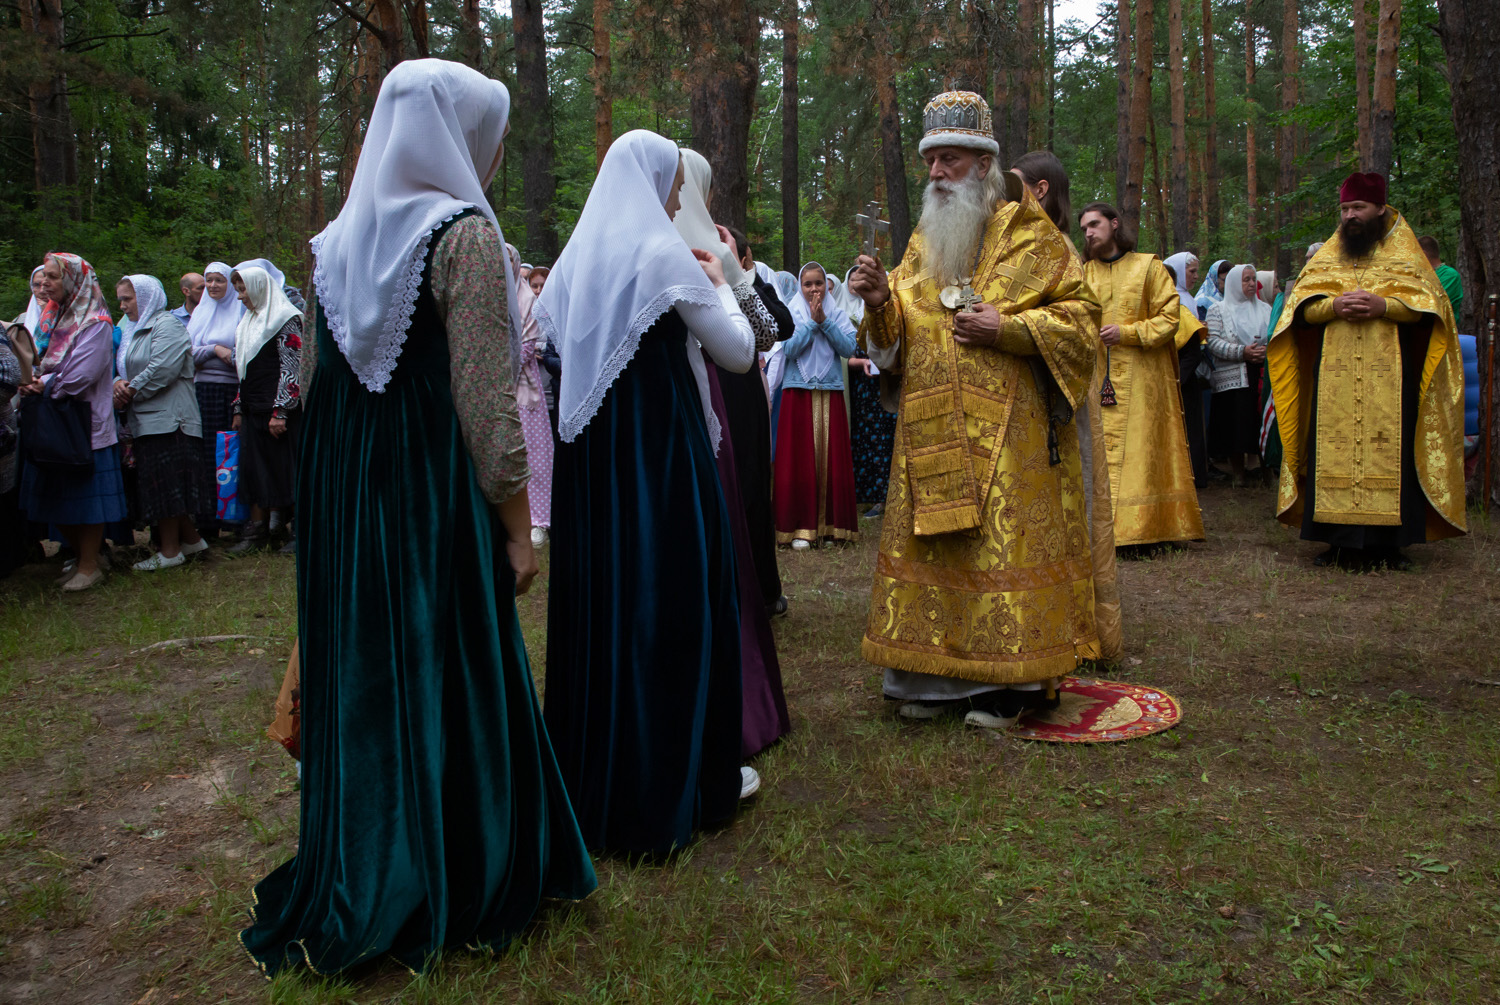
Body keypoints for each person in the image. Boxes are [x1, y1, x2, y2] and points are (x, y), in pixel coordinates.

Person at [240, 59, 596, 978]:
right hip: (428, 496)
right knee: (452, 659)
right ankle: (464, 866)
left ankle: (364, 856)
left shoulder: (332, 244)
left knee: (366, 665)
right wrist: (517, 526)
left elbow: (314, 386)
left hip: (347, 499)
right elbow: (484, 401)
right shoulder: (464, 236)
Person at [849, 90, 1104, 728]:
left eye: (950, 160)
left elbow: (1080, 321)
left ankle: (1011, 686)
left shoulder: (1032, 236)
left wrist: (1009, 329)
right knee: (936, 553)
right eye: (930, 160)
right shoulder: (923, 239)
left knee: (999, 549)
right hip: (930, 427)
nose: (936, 173)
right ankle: (933, 683)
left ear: (984, 165)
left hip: (1010, 436)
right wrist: (880, 302)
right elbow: (897, 332)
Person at [537, 128, 759, 855]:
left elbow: (552, 349)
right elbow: (737, 352)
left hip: (591, 462)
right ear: (653, 180)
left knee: (606, 601)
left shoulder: (574, 261)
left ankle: (597, 774)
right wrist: (723, 285)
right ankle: (675, 776)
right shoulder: (661, 252)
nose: (675, 198)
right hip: (658, 455)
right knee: (673, 600)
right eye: (673, 183)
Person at [1268, 172, 1466, 571]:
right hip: (1334, 378)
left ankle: (1389, 545)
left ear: (1379, 208)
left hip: (1391, 376)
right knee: (1331, 450)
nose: (1350, 216)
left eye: (1358, 207)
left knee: (1391, 450)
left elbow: (1433, 311)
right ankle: (1336, 542)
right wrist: (1333, 307)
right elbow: (1298, 312)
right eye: (1344, 209)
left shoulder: (1406, 255)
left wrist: (1385, 306)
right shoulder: (1329, 254)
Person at [672, 151, 793, 756]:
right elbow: (754, 338)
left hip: (730, 395)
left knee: (747, 494)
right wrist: (729, 281)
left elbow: (774, 328)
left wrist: (735, 275)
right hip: (708, 388)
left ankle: (758, 592)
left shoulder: (707, 252)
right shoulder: (680, 255)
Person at [1013, 148, 1123, 663]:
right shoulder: (1020, 246)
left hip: (1063, 396)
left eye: (1015, 185)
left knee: (1071, 508)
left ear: (1039, 190)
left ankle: (1076, 626)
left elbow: (1076, 329)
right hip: (1033, 395)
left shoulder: (1055, 248)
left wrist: (1008, 328)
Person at [1079, 203, 1204, 550]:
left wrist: (1127, 333)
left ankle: (1146, 531)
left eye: (1094, 224)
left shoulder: (1149, 267)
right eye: (1084, 228)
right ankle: (1100, 531)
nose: (1088, 233)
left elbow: (1170, 318)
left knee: (1142, 452)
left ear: (1114, 224)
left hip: (1144, 380)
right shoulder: (1083, 273)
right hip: (1096, 378)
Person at [17, 253, 128, 592]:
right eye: (44, 276)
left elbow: (81, 376)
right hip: (52, 420)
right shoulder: (52, 316)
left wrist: (43, 383)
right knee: (55, 497)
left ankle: (90, 566)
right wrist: (31, 379)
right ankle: (83, 559)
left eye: (53, 276)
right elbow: (37, 359)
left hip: (82, 424)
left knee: (86, 500)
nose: (45, 282)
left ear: (73, 280)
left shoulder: (96, 322)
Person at [113, 275, 207, 571]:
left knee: (166, 486)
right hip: (146, 418)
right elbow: (120, 366)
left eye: (128, 298)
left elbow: (162, 369)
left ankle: (170, 551)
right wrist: (117, 383)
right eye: (120, 299)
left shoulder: (167, 325)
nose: (123, 305)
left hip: (170, 419)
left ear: (146, 297)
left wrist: (129, 391)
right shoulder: (129, 329)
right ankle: (192, 542)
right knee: (162, 484)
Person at [774, 261, 859, 549]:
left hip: (830, 390)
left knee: (830, 458)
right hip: (797, 391)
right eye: (808, 284)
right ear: (800, 286)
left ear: (826, 286)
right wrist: (812, 322)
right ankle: (800, 528)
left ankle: (831, 527)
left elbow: (848, 348)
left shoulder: (837, 313)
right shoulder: (791, 312)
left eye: (818, 283)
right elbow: (788, 348)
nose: (814, 289)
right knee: (799, 459)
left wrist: (826, 322)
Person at [227, 266, 302, 554]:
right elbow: (242, 369)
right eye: (238, 290)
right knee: (255, 470)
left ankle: (298, 531)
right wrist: (238, 407)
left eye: (243, 289)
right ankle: (258, 532)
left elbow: (291, 367)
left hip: (278, 412)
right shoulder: (248, 322)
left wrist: (280, 411)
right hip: (252, 407)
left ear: (260, 287)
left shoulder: (286, 319)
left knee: (287, 470)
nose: (240, 297)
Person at [187, 261, 244, 537]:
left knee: (230, 453)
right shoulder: (201, 312)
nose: (212, 286)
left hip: (232, 391)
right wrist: (215, 349)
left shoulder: (240, 311)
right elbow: (187, 353)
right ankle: (207, 519)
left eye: (219, 280)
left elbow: (240, 356)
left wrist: (214, 353)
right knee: (206, 454)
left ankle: (234, 518)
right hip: (202, 392)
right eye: (208, 280)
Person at [506, 243, 554, 548]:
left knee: (534, 455)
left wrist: (497, 370)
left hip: (523, 389)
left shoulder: (527, 301)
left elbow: (526, 346)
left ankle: (538, 520)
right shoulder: (492, 296)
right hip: (499, 389)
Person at [1205, 265, 1270, 487]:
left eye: (1253, 279)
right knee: (1235, 425)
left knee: (1260, 423)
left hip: (1260, 374)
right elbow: (1213, 342)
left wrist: (1265, 351)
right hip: (1234, 377)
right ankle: (1239, 475)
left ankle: (1266, 472)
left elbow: (1275, 335)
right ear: (1234, 283)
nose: (1252, 283)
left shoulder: (1265, 309)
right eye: (1246, 280)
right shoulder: (1218, 310)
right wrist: (1243, 352)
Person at [1165, 252, 1212, 488]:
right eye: (1191, 271)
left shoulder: (1183, 305)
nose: (1195, 276)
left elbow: (1192, 350)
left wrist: (1176, 379)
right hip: (1162, 381)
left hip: (1182, 381)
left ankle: (1193, 478)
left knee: (1190, 430)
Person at [1417, 236, 1463, 320]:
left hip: (1441, 326)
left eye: (1415, 254)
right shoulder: (1419, 274)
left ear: (1423, 254)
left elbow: (1434, 303)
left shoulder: (1449, 275)